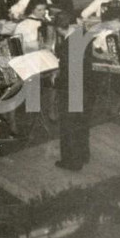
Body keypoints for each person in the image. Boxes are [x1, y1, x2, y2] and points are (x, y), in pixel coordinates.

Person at [52, 12, 95, 171]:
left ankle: (72, 161)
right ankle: (84, 154)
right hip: (88, 86)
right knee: (82, 123)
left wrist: (54, 78)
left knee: (69, 125)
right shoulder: (84, 34)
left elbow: (67, 71)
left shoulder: (67, 45)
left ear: (58, 29)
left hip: (72, 89)